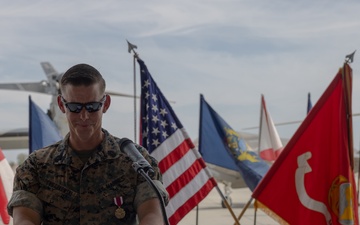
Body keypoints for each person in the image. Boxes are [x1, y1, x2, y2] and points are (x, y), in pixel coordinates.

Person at [7, 63, 169, 225]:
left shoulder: (137, 162)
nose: (84, 116)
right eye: (75, 107)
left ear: (105, 104)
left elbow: (153, 215)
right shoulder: (35, 166)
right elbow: (25, 218)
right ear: (62, 105)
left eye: (92, 107)